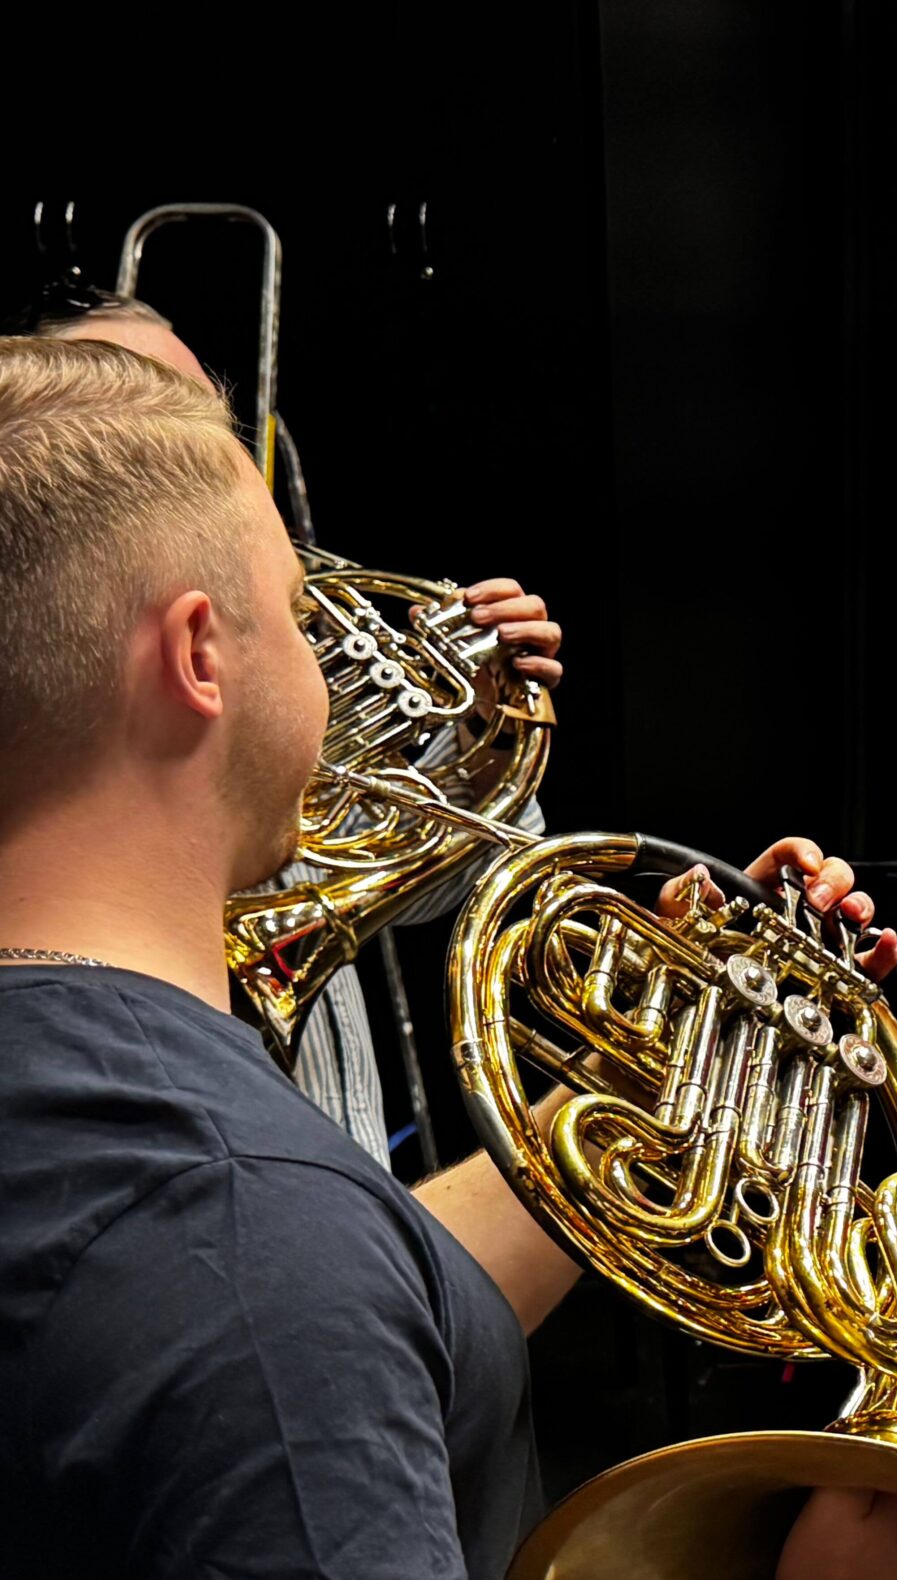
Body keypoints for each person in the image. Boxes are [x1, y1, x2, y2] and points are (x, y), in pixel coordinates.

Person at [0, 334, 897, 1580]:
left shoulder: (124, 1135)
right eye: (300, 616)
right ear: (200, 653)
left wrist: (675, 1074)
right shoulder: (227, 1206)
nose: (336, 670)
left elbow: (291, 1312)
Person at [33, 291, 565, 1167]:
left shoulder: (293, 639)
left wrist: (481, 728)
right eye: (146, 408)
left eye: (206, 414)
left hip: (336, 1162)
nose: (201, 439)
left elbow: (430, 876)